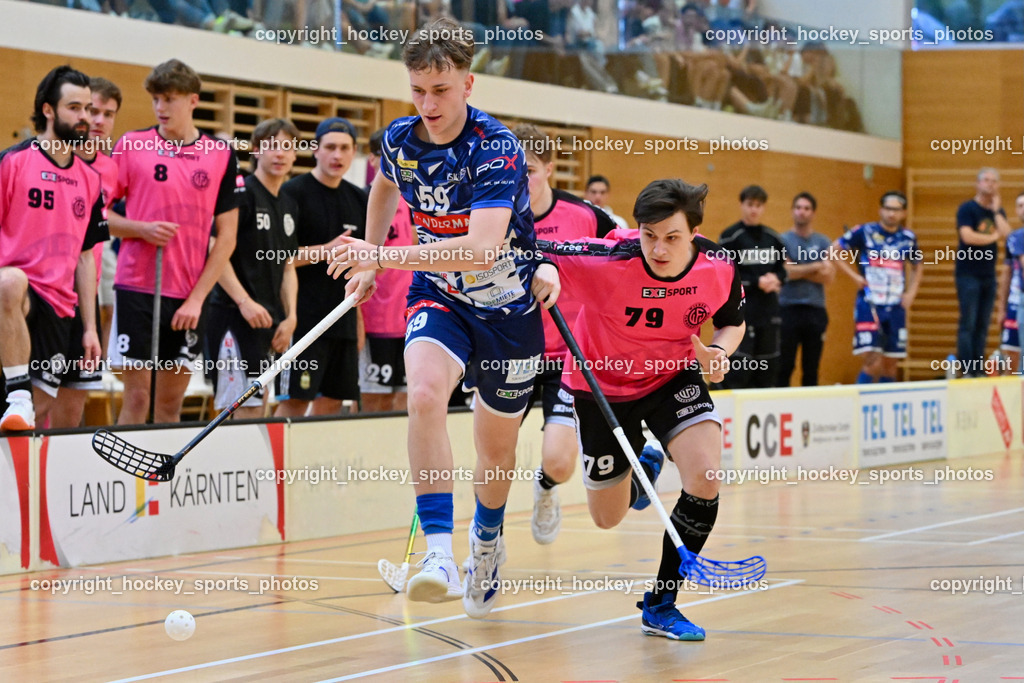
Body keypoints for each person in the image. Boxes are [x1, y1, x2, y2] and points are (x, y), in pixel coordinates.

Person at [326, 17, 559, 619]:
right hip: (440, 296)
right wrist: (372, 261)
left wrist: (381, 254)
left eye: (441, 90)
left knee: (495, 452)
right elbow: (384, 188)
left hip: (508, 309)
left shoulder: (496, 147)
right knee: (424, 395)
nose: (428, 104)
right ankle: (438, 555)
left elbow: (481, 249)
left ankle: (486, 540)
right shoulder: (401, 139)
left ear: (468, 84)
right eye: (418, 90)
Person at [539, 178, 745, 640]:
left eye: (672, 237)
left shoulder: (718, 265)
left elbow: (732, 322)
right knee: (606, 517)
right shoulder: (606, 258)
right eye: (649, 236)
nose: (659, 249)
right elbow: (528, 248)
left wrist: (720, 352)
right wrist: (541, 267)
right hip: (601, 386)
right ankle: (640, 471)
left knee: (706, 477)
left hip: (672, 377)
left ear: (694, 232)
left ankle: (662, 603)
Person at [107, 59, 242, 425]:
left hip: (189, 297)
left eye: (169, 99)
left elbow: (227, 238)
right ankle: (125, 480)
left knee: (168, 404)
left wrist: (197, 299)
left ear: (193, 100)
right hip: (136, 288)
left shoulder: (220, 155)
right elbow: (97, 215)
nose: (160, 108)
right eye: (155, 99)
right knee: (136, 398)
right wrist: (139, 228)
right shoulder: (131, 145)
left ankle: (160, 481)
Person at [512, 123, 616, 545]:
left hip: (565, 358)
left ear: (551, 169)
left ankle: (546, 488)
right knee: (492, 458)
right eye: (512, 169)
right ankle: (486, 542)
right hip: (509, 352)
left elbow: (623, 257)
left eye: (530, 170)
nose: (521, 179)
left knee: (560, 462)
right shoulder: (491, 216)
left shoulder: (586, 216)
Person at [0, 66, 107, 431]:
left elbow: (86, 257)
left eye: (88, 109)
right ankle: (15, 392)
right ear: (48, 110)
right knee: (9, 283)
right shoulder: (13, 162)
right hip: (16, 296)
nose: (84, 118)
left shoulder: (91, 180)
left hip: (61, 306)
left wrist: (91, 328)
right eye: (74, 107)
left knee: (38, 409)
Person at [204, 119, 299, 419]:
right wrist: (244, 302)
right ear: (256, 151)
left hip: (269, 321)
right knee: (239, 411)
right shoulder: (240, 193)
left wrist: (291, 317)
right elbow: (213, 249)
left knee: (259, 410)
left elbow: (287, 265)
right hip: (231, 316)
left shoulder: (288, 204)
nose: (280, 154)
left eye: (287, 147)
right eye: (271, 146)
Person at [275, 117, 367, 417]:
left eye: (344, 148)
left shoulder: (359, 198)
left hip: (342, 318)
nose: (337, 155)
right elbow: (278, 257)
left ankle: (308, 465)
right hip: (303, 318)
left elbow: (361, 267)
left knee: (332, 403)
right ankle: (277, 465)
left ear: (354, 152)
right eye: (330, 147)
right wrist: (323, 251)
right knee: (294, 402)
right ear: (315, 150)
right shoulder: (292, 192)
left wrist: (358, 322)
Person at [51, 76, 122, 428]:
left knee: (72, 403)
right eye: (90, 110)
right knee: (33, 401)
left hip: (85, 293)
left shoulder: (110, 168)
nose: (98, 120)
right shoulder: (46, 161)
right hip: (44, 293)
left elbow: (108, 223)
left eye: (107, 114)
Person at [830, 191, 923, 383]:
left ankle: (886, 410)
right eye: (888, 209)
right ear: (880, 210)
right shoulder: (864, 232)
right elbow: (833, 251)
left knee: (890, 366)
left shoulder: (908, 238)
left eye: (896, 210)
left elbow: (917, 265)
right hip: (870, 304)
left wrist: (911, 293)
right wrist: (854, 276)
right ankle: (860, 408)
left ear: (903, 213)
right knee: (872, 363)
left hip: (896, 306)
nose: (891, 214)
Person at [358, 128, 413, 413]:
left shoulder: (414, 201)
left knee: (404, 401)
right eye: (389, 157)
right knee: (373, 400)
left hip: (408, 319)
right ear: (372, 160)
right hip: (375, 320)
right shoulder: (365, 201)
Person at [718, 185, 787, 388]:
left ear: (764, 207)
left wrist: (777, 278)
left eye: (758, 205)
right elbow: (725, 275)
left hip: (769, 314)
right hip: (742, 313)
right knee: (740, 370)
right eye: (750, 205)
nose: (754, 210)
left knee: (768, 370)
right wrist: (756, 282)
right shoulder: (730, 237)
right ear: (742, 205)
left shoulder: (773, 238)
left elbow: (783, 269)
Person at [955, 168, 1011, 376]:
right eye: (986, 180)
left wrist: (997, 212)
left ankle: (978, 369)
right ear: (978, 184)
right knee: (968, 323)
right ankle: (967, 369)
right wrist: (992, 237)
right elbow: (968, 237)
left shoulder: (998, 212)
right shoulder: (967, 209)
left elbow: (1008, 237)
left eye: (994, 181)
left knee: (983, 323)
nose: (990, 184)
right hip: (968, 274)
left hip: (988, 275)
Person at [777, 192, 833, 387]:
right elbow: (785, 272)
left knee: (811, 367)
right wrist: (816, 266)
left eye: (806, 208)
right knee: (784, 365)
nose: (802, 212)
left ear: (813, 213)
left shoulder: (824, 242)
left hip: (815, 311)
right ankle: (780, 409)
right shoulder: (782, 240)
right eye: (798, 207)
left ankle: (810, 412)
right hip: (787, 309)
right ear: (793, 211)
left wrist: (797, 268)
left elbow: (829, 276)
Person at [996, 191, 1024, 374]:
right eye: (1020, 206)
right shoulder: (1015, 238)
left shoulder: (1015, 238)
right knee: (1011, 358)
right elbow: (1007, 273)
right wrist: (1001, 309)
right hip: (1016, 304)